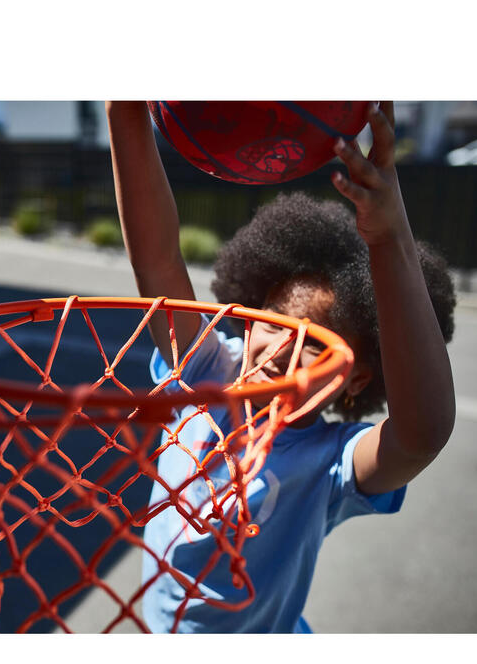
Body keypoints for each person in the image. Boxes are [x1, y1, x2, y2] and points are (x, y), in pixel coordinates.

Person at [105, 101, 457, 633]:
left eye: (316, 343)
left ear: (357, 376)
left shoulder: (329, 462)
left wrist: (389, 238)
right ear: (248, 319)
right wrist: (124, 113)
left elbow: (421, 434)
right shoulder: (205, 374)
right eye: (276, 322)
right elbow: (157, 261)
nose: (281, 351)